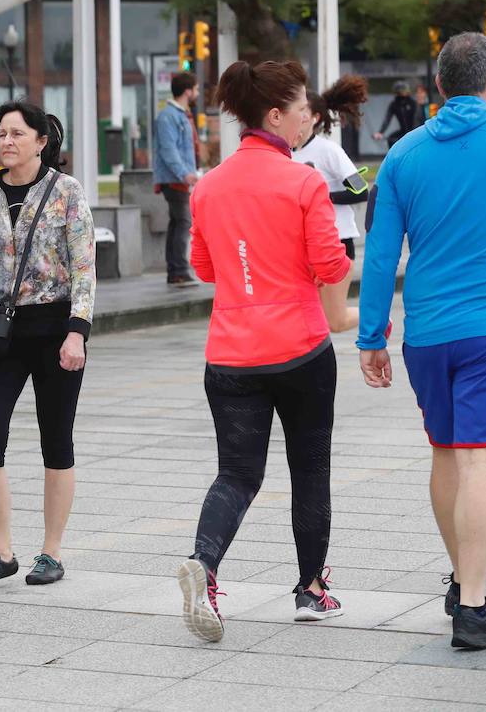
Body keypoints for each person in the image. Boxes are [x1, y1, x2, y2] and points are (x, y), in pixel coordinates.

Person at [177, 61, 351, 643]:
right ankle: (309, 590)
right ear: (275, 116)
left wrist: (246, 264)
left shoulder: (209, 185)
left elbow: (204, 267)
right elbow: (330, 265)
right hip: (300, 348)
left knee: (237, 474)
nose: (309, 115)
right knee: (310, 468)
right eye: (302, 106)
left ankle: (205, 566)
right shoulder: (302, 182)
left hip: (229, 354)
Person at [359, 33, 486, 650]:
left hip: (430, 333)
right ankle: (473, 603)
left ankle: (463, 576)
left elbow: (382, 254)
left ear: (439, 86)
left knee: (446, 453)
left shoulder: (404, 155)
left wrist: (371, 337)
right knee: (478, 458)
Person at [0, 100, 95, 590]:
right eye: (1, 134)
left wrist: (78, 331)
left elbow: (83, 267)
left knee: (57, 440)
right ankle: (1, 552)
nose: (7, 142)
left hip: (56, 332)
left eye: (17, 134)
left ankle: (51, 552)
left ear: (41, 140)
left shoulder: (66, 192)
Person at [293, 75, 370, 333]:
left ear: (314, 118)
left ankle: (379, 317)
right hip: (301, 244)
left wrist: (323, 196)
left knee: (335, 322)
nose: (297, 114)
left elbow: (361, 190)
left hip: (337, 241)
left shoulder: (328, 151)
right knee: (305, 319)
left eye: (303, 110)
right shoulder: (284, 152)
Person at [153, 73, 199, 286]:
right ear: (187, 90)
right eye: (196, 89)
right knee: (183, 222)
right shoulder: (169, 116)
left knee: (177, 223)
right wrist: (185, 173)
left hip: (178, 178)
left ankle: (175, 270)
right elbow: (168, 149)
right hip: (174, 179)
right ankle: (179, 270)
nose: (197, 93)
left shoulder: (180, 115)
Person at [373, 80, 422, 149]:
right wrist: (380, 132)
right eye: (400, 92)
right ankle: (394, 158)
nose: (403, 93)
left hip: (415, 131)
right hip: (403, 131)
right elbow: (387, 119)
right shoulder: (394, 104)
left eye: (405, 91)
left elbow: (416, 120)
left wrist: (412, 134)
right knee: (391, 139)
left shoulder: (413, 103)